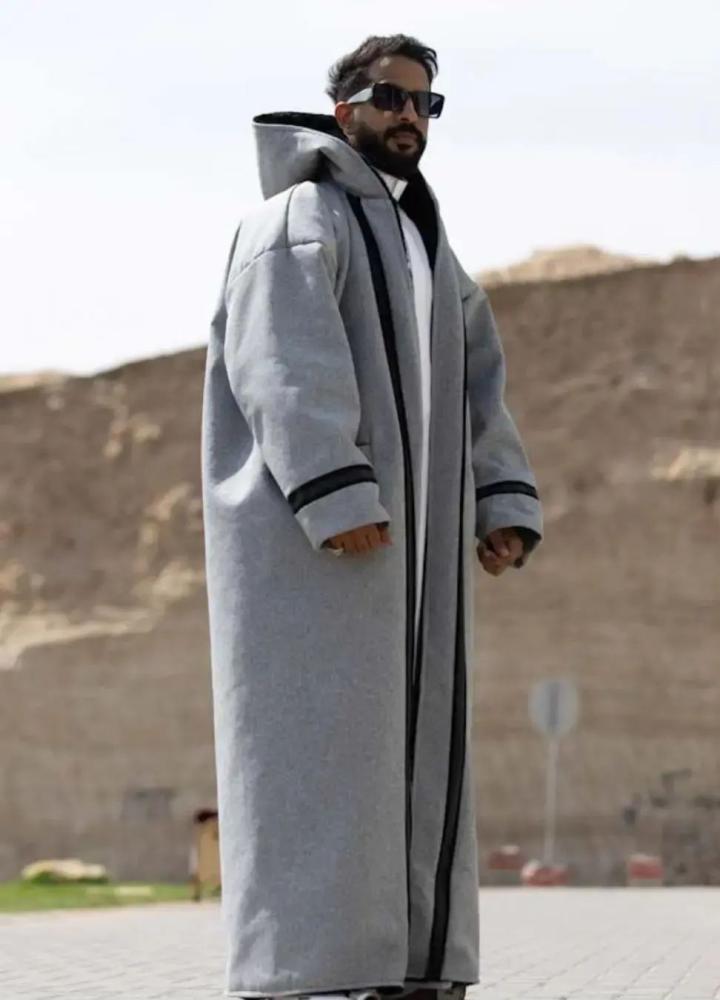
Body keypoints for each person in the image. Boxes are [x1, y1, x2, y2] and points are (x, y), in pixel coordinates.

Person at [201, 33, 543, 1000]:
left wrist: (499, 497)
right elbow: (282, 366)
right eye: (390, 97)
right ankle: (310, 972)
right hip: (322, 545)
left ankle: (415, 964)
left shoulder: (427, 243)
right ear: (343, 107)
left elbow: (481, 383)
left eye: (425, 103)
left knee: (417, 755)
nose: (408, 116)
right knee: (320, 755)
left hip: (418, 553)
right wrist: (336, 489)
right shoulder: (296, 222)